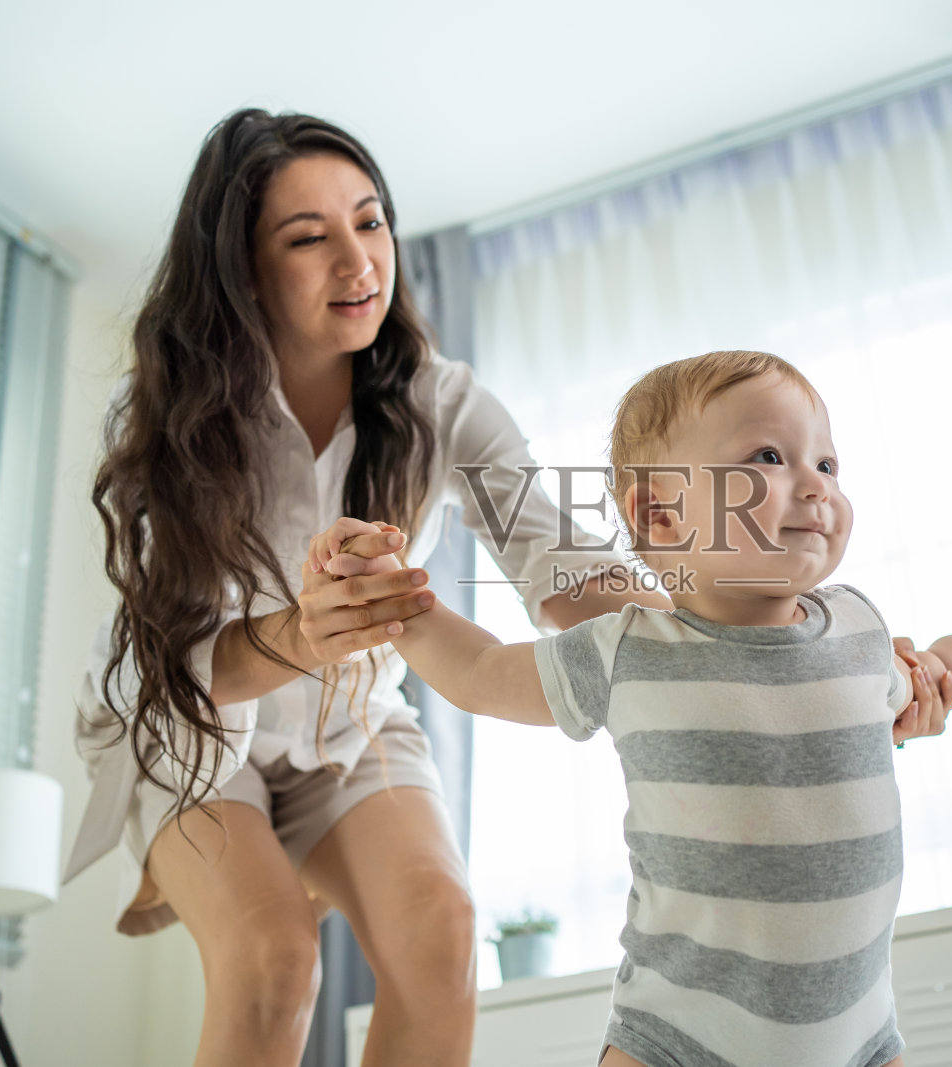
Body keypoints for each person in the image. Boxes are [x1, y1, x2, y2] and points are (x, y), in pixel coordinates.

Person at [61, 108, 663, 1067]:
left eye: (370, 221)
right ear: (241, 268)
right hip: (188, 723)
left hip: (351, 717)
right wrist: (302, 635)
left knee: (443, 935)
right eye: (309, 238)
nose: (359, 262)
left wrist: (745, 637)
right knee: (275, 960)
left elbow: (558, 561)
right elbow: (178, 661)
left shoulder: (439, 398)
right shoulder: (164, 416)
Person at [310, 349, 952, 1067]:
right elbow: (482, 671)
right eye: (770, 456)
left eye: (826, 464)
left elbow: (914, 684)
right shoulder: (628, 651)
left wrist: (951, 661)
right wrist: (396, 601)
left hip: (858, 1037)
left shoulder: (858, 628)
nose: (816, 486)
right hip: (679, 1039)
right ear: (661, 515)